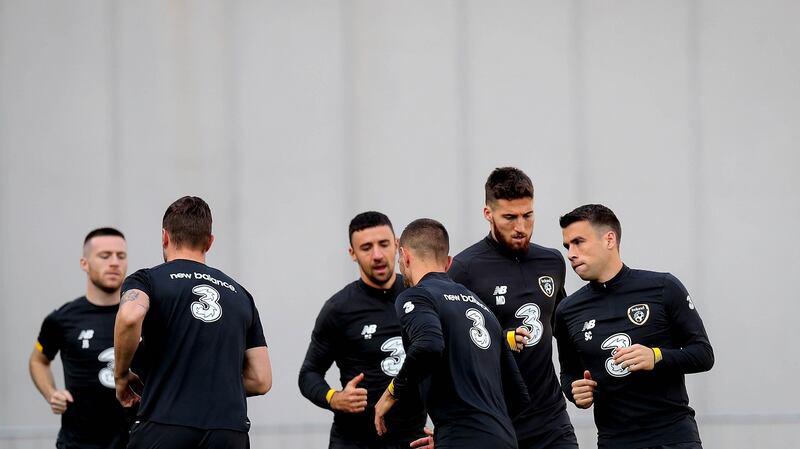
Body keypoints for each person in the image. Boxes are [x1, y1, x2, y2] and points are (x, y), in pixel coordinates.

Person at [114, 195, 272, 449]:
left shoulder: (148, 280)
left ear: (165, 237)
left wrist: (121, 375)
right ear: (209, 242)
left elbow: (130, 316)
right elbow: (261, 379)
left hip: (166, 425)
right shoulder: (241, 295)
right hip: (229, 432)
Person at [554, 204, 714, 449]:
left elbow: (703, 355)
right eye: (567, 246)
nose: (571, 253)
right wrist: (575, 392)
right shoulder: (567, 310)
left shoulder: (663, 287)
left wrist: (656, 356)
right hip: (614, 441)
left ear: (609, 239)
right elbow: (569, 373)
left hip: (673, 437)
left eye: (579, 242)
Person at [449, 167, 578, 449]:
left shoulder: (552, 262)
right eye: (509, 217)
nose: (520, 227)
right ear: (488, 214)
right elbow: (450, 347)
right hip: (493, 423)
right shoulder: (463, 269)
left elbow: (563, 330)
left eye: (527, 215)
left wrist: (575, 379)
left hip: (550, 421)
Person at [375, 218, 529, 449]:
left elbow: (428, 345)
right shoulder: (482, 307)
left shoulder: (416, 296)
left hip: (462, 437)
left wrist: (391, 393)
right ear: (448, 263)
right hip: (505, 439)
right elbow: (518, 396)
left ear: (405, 256)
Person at [299, 211, 426, 449]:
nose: (377, 255)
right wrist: (334, 398)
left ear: (397, 245)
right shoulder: (339, 308)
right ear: (353, 254)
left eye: (384, 244)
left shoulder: (421, 297)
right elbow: (308, 374)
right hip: (354, 441)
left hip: (412, 439)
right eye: (366, 247)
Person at [29, 227, 133, 449]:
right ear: (84, 263)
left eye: (121, 256)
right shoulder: (63, 319)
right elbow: (38, 360)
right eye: (105, 256)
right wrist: (51, 393)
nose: (114, 262)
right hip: (78, 443)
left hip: (136, 442)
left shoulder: (140, 316)